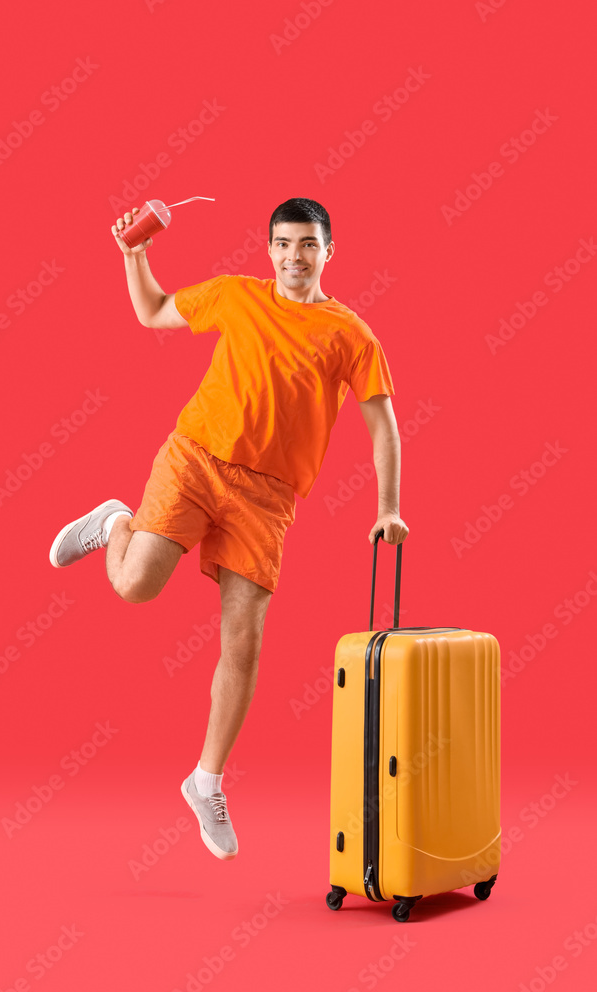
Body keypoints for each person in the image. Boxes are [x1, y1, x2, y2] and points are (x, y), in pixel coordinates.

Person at [48, 197, 408, 862]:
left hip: (267, 500)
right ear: (267, 250)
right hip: (195, 460)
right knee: (133, 586)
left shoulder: (351, 335)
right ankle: (115, 522)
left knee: (242, 646)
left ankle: (205, 780)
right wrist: (136, 256)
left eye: (306, 245)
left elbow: (381, 423)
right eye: (281, 244)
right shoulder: (236, 296)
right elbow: (154, 312)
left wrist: (386, 506)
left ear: (329, 251)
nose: (292, 257)